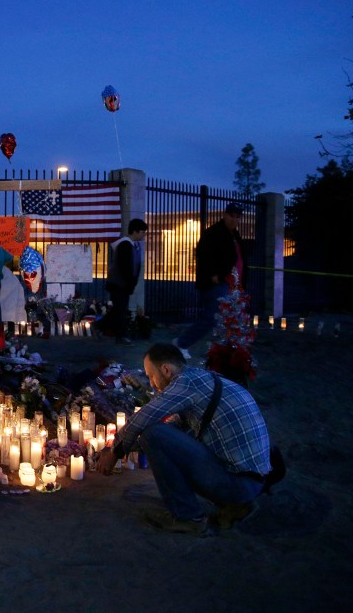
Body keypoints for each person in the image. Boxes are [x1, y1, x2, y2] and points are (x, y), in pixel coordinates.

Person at [97, 343, 271, 535]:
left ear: (166, 369)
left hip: (237, 484)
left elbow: (143, 418)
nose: (152, 384)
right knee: (157, 435)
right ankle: (235, 506)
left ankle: (188, 517)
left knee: (152, 434)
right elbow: (175, 426)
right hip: (253, 482)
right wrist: (135, 447)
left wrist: (115, 452)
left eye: (151, 376)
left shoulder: (185, 383)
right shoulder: (202, 378)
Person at [174, 203, 247, 359]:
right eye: (232, 216)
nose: (234, 220)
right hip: (219, 283)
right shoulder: (213, 233)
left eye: (238, 217)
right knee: (212, 317)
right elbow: (203, 254)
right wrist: (214, 275)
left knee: (231, 319)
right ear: (225, 215)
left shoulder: (234, 234)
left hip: (233, 284)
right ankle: (182, 343)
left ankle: (228, 349)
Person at [102, 218, 148, 344]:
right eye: (143, 232)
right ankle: (120, 336)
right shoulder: (125, 245)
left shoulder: (130, 245)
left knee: (119, 309)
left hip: (121, 284)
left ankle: (103, 327)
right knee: (120, 310)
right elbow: (125, 267)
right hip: (120, 284)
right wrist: (130, 282)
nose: (144, 235)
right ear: (135, 231)